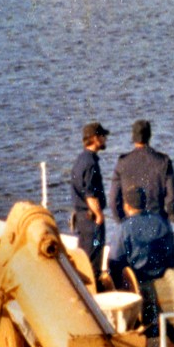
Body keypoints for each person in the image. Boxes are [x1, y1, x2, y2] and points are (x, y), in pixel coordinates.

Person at [108, 185, 174, 347]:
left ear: (127, 206)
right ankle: (168, 331)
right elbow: (171, 256)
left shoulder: (124, 228)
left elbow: (114, 262)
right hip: (162, 276)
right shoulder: (162, 222)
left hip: (137, 281)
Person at [109, 119, 174, 224]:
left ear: (133, 137)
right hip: (157, 221)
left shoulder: (122, 162)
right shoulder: (163, 161)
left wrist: (121, 222)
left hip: (131, 222)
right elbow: (172, 196)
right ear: (150, 136)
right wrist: (171, 217)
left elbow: (113, 199)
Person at [70, 121, 110, 282]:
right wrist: (99, 215)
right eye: (103, 136)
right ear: (95, 139)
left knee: (84, 257)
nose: (105, 139)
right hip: (91, 219)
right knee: (93, 259)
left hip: (81, 218)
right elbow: (90, 194)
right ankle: (93, 291)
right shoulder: (91, 163)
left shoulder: (81, 160)